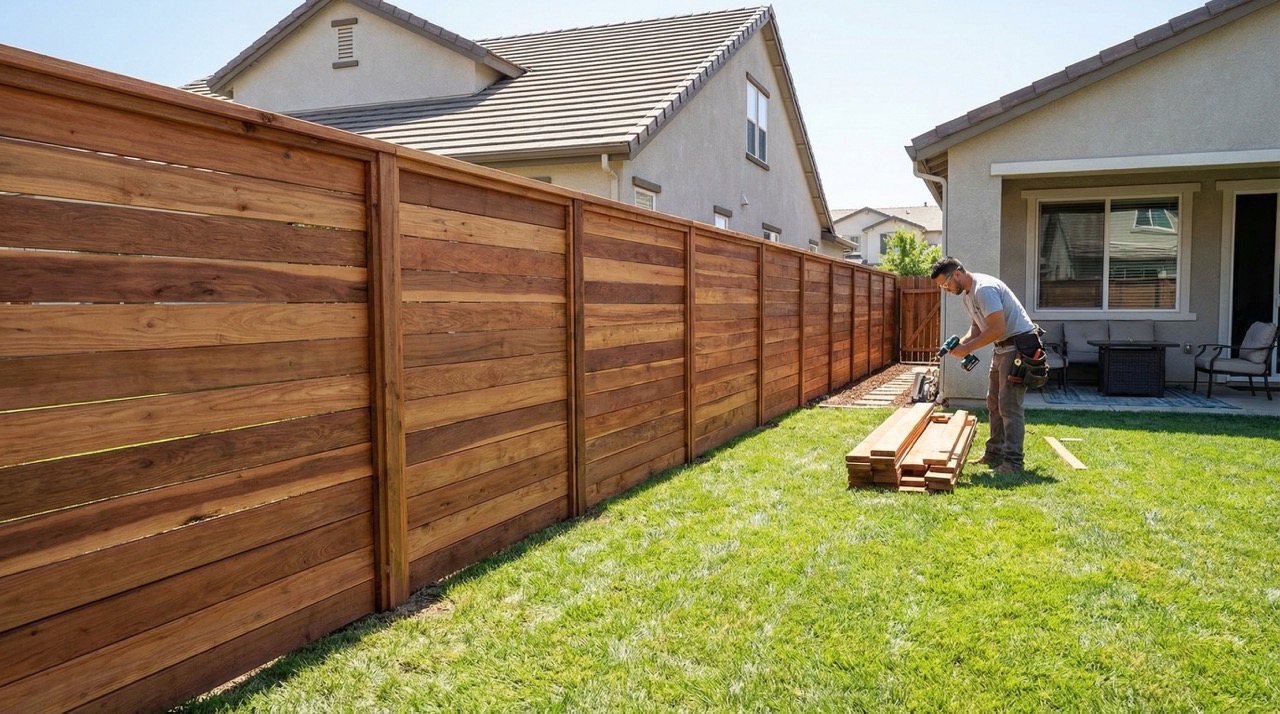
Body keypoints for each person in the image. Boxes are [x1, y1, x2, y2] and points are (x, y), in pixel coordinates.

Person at [930, 256, 1041, 473]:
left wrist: (967, 349)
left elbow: (997, 328)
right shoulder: (968, 295)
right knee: (993, 403)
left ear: (957, 274)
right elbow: (977, 327)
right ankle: (994, 453)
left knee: (1009, 405)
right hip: (1002, 348)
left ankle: (1013, 462)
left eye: (945, 284)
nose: (946, 289)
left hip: (1017, 347)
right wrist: (961, 344)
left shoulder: (984, 289)